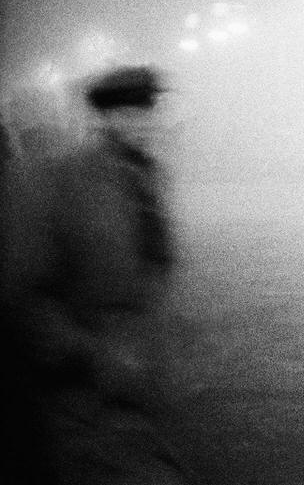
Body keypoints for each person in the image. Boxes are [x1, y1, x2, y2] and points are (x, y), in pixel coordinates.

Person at [0, 65, 190, 484]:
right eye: (129, 113)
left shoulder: (148, 178)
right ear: (104, 118)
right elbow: (25, 292)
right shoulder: (61, 179)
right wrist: (92, 354)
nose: (144, 123)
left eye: (147, 111)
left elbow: (151, 272)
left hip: (142, 388)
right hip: (85, 400)